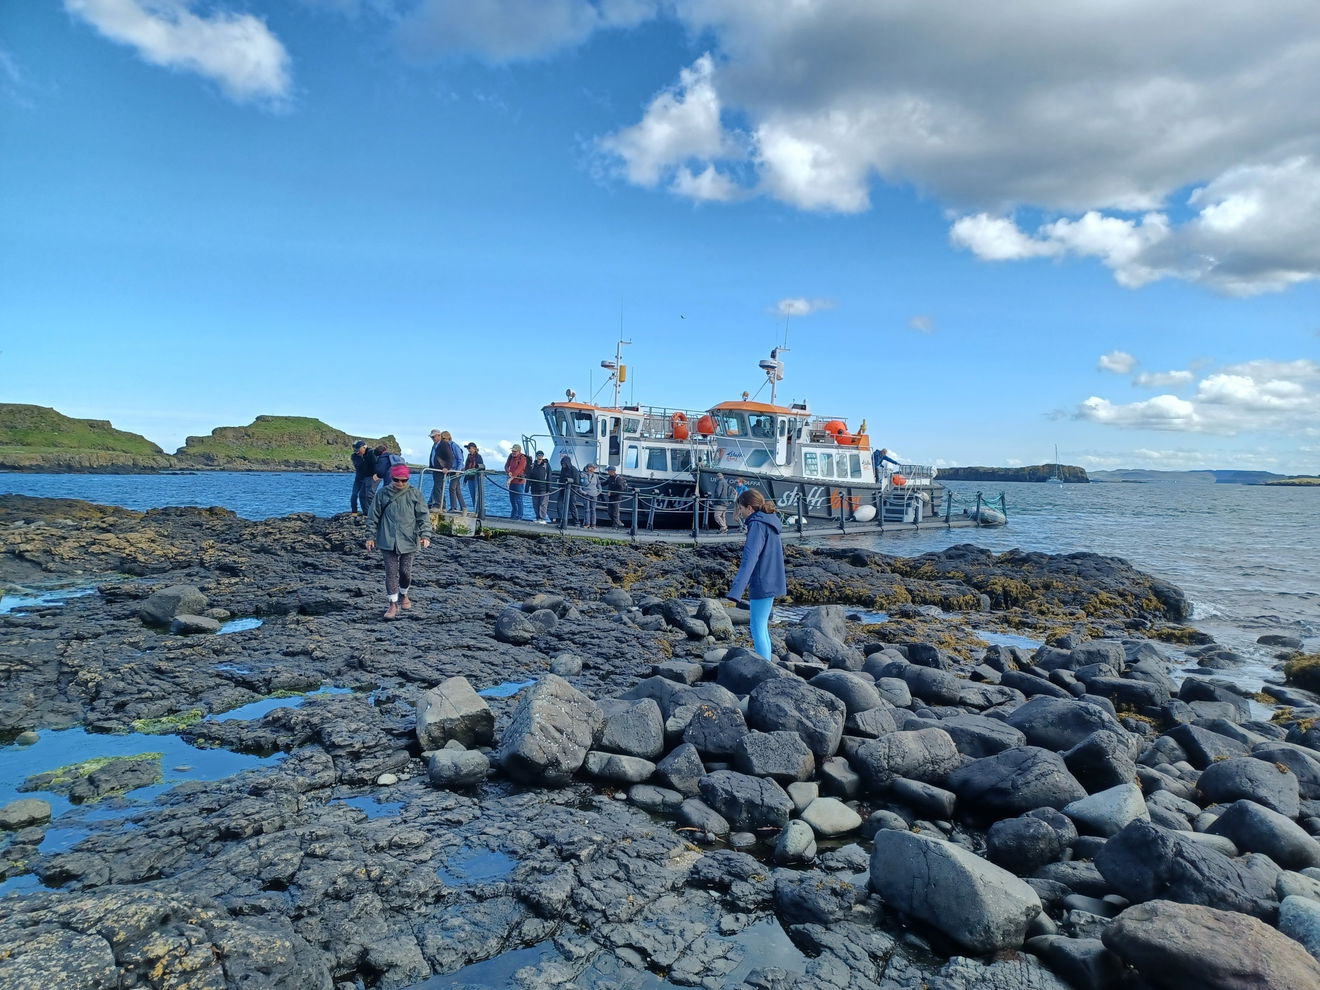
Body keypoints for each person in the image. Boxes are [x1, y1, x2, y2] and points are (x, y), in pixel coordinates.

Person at [365, 464, 432, 620]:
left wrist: (425, 535)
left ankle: (404, 594)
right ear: (392, 478)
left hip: (409, 538)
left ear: (408, 479)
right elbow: (373, 516)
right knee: (391, 572)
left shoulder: (415, 494)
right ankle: (392, 604)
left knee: (405, 572)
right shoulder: (382, 494)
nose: (400, 483)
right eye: (396, 480)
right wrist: (370, 537)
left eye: (404, 480)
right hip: (387, 539)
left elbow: (423, 516)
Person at [725, 489, 786, 660]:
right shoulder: (770, 521)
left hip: (762, 580)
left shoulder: (757, 525)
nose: (740, 512)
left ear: (750, 508)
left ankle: (764, 666)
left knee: (757, 626)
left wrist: (736, 591)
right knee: (762, 626)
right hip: (773, 578)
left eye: (741, 508)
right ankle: (767, 663)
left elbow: (750, 559)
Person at [427, 429, 453, 509]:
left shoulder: (444, 444)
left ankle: (438, 505)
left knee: (438, 487)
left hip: (441, 470)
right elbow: (432, 455)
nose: (432, 439)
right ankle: (442, 506)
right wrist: (431, 466)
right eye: (432, 437)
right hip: (436, 469)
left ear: (439, 436)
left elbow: (450, 457)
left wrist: (447, 467)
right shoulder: (435, 445)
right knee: (439, 487)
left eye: (433, 437)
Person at [350, 441, 376, 516]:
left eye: (358, 449)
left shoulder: (371, 453)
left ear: (364, 447)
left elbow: (374, 464)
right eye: (355, 449)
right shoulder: (354, 456)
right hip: (359, 477)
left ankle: (369, 512)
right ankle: (354, 512)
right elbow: (360, 466)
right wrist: (362, 456)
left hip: (369, 476)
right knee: (354, 494)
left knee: (367, 495)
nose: (356, 451)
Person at [527, 450, 552, 523]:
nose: (540, 456)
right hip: (534, 488)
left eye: (541, 455)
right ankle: (538, 517)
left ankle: (542, 518)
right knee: (535, 504)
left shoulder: (546, 465)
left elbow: (549, 476)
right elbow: (529, 476)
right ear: (536, 456)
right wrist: (527, 487)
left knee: (543, 504)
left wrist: (549, 487)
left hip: (544, 488)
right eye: (538, 455)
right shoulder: (532, 465)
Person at [444, 431, 466, 511]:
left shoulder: (454, 446)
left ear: (448, 438)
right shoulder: (446, 447)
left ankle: (454, 507)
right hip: (452, 470)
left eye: (443, 438)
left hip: (457, 469)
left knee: (452, 488)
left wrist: (458, 470)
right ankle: (463, 507)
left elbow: (460, 459)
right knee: (457, 489)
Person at [505, 444, 528, 519]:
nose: (513, 452)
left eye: (515, 451)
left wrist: (510, 479)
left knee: (519, 500)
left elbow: (519, 469)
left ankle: (519, 516)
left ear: (519, 451)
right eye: (512, 451)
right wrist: (508, 471)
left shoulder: (522, 458)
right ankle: (513, 515)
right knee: (512, 500)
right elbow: (506, 466)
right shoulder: (510, 456)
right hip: (512, 482)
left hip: (519, 482)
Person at [555, 455, 579, 525]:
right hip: (562, 490)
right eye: (562, 463)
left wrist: (570, 483)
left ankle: (576, 521)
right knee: (559, 506)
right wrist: (560, 485)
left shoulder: (574, 470)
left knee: (572, 507)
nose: (563, 465)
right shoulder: (563, 470)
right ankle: (562, 520)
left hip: (571, 491)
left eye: (564, 463)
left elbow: (577, 482)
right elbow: (561, 478)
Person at [461, 442, 485, 511]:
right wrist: (465, 480)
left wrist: (474, 470)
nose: (468, 450)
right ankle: (475, 510)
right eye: (468, 448)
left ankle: (479, 510)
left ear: (474, 449)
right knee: (472, 495)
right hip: (470, 478)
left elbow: (481, 467)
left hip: (476, 478)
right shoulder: (468, 457)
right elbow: (466, 468)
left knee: (477, 495)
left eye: (469, 448)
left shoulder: (478, 457)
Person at [579, 463, 601, 529]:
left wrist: (599, 491)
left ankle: (593, 524)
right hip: (586, 494)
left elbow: (599, 484)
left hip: (594, 494)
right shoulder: (582, 475)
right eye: (592, 467)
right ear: (588, 468)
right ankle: (587, 523)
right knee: (587, 509)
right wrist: (582, 492)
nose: (593, 469)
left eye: (594, 468)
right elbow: (579, 485)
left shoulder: (596, 476)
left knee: (593, 509)